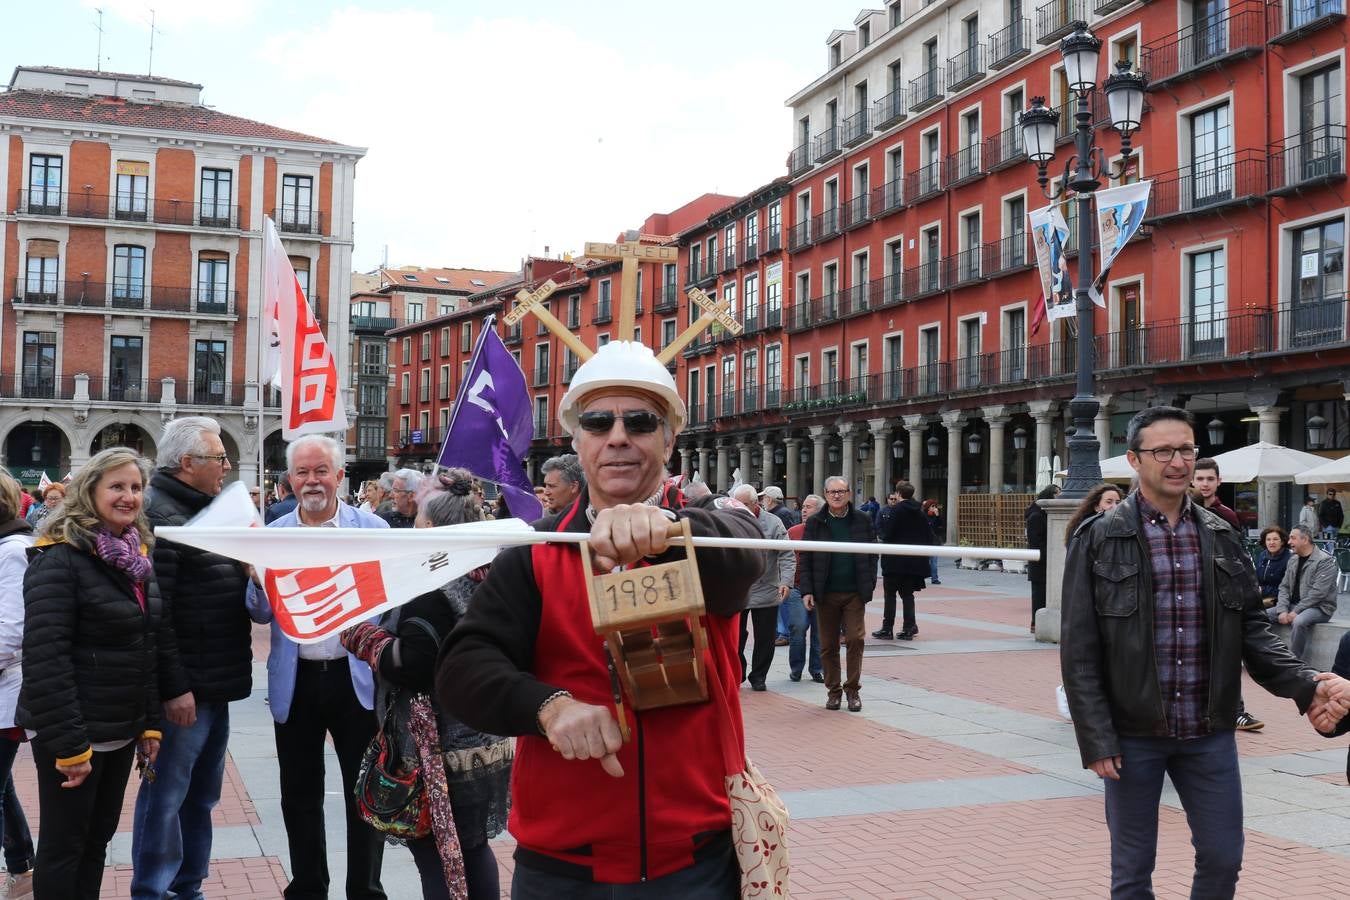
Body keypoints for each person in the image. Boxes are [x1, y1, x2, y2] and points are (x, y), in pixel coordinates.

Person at [436, 340, 763, 894]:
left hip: (693, 864)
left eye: (639, 421)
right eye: (597, 422)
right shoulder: (537, 551)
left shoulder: (704, 537)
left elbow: (748, 553)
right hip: (561, 868)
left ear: (669, 439)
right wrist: (548, 707)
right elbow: (461, 670)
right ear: (577, 440)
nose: (618, 437)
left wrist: (667, 530)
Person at [1061, 406, 1350, 899]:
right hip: (1132, 734)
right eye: (1163, 451)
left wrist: (1309, 684)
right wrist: (1095, 735)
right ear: (1135, 459)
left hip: (1208, 731)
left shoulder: (1222, 536)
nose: (1178, 462)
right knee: (1132, 871)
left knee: (1223, 857)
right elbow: (1079, 649)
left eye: (1187, 450)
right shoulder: (1099, 538)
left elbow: (1253, 635)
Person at [341, 469, 512, 900]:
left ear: (432, 528)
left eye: (418, 521)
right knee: (472, 849)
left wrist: (360, 635)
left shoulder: (433, 587)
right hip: (482, 737)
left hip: (437, 749)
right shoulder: (488, 571)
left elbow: (411, 663)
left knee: (437, 856)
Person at [18, 448, 167, 900]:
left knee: (97, 841)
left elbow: (144, 645)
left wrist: (150, 722)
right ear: (90, 491)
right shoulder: (59, 557)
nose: (128, 497)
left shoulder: (136, 557)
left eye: (136, 487)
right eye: (117, 487)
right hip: (75, 733)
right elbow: (46, 658)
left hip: (119, 729)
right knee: (64, 847)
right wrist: (69, 747)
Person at [246, 435, 388, 900]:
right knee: (299, 794)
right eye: (303, 472)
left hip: (357, 682)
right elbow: (261, 614)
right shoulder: (272, 536)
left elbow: (393, 603)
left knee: (363, 793)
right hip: (298, 681)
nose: (312, 481)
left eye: (321, 470)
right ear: (289, 480)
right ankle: (308, 887)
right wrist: (257, 579)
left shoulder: (373, 530)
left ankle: (365, 890)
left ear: (340, 476)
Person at [131, 417, 253, 900]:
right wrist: (174, 686)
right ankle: (154, 891)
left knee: (201, 798)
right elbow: (157, 617)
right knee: (166, 799)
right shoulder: (163, 518)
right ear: (188, 463)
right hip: (185, 693)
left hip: (214, 685)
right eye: (219, 458)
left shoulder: (208, 515)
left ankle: (188, 888)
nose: (226, 466)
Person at [1193, 457, 1264, 731]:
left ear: (1219, 482)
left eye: (1210, 479)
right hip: (1193, 595)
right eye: (1200, 479)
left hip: (1223, 595)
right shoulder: (1182, 512)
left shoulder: (1227, 515)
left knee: (1228, 653)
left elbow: (1238, 557)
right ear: (1192, 481)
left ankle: (1237, 711)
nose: (1205, 484)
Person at [799, 475, 877, 712]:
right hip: (826, 593)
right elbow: (806, 557)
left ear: (849, 494)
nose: (836, 495)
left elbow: (873, 553)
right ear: (825, 494)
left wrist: (869, 582)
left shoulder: (862, 520)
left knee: (855, 639)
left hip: (854, 591)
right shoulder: (815, 522)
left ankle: (852, 689)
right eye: (832, 492)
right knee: (828, 645)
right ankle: (833, 691)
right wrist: (807, 590)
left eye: (841, 491)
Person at [0, 471, 35, 898]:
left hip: (8, 689)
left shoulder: (13, 551)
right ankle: (22, 866)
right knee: (3, 785)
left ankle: (23, 867)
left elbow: (11, 631)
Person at [730, 484, 794, 691]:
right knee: (735, 636)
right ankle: (738, 671)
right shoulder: (729, 519)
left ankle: (759, 676)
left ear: (756, 503)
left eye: (745, 504)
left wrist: (786, 582)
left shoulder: (774, 523)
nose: (741, 508)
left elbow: (786, 554)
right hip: (737, 589)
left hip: (766, 587)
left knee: (765, 638)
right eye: (737, 504)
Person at [1269, 525, 1339, 660]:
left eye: (1293, 538)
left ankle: (1293, 663)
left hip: (1319, 608)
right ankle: (1266, 656)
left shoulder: (1324, 561)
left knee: (1299, 621)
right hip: (1292, 605)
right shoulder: (1293, 559)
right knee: (1262, 616)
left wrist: (1296, 611)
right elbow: (1284, 587)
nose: (1289, 542)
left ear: (1305, 539)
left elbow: (1318, 593)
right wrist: (1282, 609)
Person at [874, 483, 932, 641]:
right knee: (907, 595)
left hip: (894, 560)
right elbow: (928, 535)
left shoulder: (896, 510)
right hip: (913, 561)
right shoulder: (919, 512)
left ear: (898, 493)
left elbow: (889, 534)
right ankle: (909, 627)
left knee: (890, 595)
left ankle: (887, 628)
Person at [784, 495, 825, 683]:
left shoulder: (827, 532)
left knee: (820, 631)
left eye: (809, 507)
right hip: (797, 587)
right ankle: (796, 667)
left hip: (821, 589)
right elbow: (785, 558)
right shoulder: (793, 532)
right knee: (798, 628)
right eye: (803, 507)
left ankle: (817, 668)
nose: (804, 510)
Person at [1025, 484, 1060, 633]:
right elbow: (1035, 542)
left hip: (1047, 561)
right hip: (1040, 562)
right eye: (1058, 494)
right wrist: (1050, 553)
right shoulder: (1036, 516)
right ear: (1050, 495)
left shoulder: (1045, 514)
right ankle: (1036, 622)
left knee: (1044, 594)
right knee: (1039, 594)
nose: (1060, 497)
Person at [1256, 526, 1292, 608]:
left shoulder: (1290, 559)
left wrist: (1263, 590)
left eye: (1275, 539)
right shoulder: (1263, 555)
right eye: (1268, 539)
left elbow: (1288, 589)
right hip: (1261, 596)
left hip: (1281, 600)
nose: (1271, 542)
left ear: (1282, 542)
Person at [923, 499, 943, 584]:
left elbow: (940, 526)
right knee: (924, 561)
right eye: (932, 506)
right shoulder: (923, 516)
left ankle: (934, 578)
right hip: (925, 541)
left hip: (934, 542)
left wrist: (937, 515)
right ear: (928, 507)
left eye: (935, 506)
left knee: (934, 562)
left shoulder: (936, 516)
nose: (934, 508)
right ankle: (922, 576)